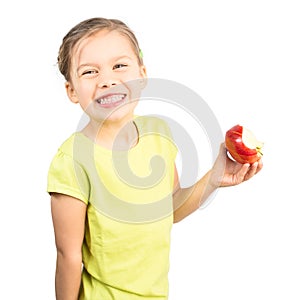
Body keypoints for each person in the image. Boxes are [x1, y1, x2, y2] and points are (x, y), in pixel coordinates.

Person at [47, 17, 263, 300]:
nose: (107, 80)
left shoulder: (158, 133)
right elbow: (68, 256)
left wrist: (214, 177)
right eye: (90, 72)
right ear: (72, 91)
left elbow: (170, 209)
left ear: (143, 74)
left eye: (120, 65)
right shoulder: (72, 161)